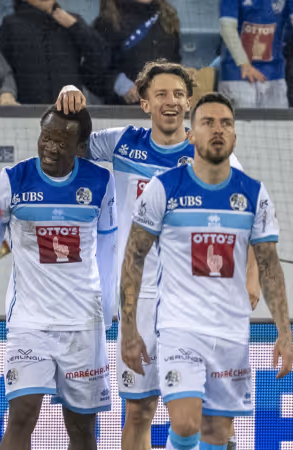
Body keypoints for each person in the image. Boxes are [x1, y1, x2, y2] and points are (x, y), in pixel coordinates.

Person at [56, 60, 260, 450]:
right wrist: (70, 96)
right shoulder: (122, 143)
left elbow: (247, 216)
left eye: (179, 94)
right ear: (145, 103)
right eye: (161, 94)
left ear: (189, 103)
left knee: (200, 413)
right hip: (139, 298)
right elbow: (68, 144)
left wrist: (251, 276)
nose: (171, 101)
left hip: (195, 299)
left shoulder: (210, 154)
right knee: (139, 411)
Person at [120, 92, 293, 450]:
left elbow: (269, 265)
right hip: (179, 328)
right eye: (208, 122)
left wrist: (284, 330)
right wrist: (129, 328)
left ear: (234, 136)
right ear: (192, 134)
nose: (218, 130)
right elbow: (133, 259)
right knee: (185, 424)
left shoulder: (254, 194)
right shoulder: (163, 188)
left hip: (230, 331)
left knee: (217, 434)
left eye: (226, 123)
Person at [0, 105, 116, 450]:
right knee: (21, 416)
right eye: (46, 137)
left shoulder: (101, 182)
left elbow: (109, 248)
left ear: (80, 147)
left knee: (81, 429)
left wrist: (108, 309)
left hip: (84, 326)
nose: (50, 147)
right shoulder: (11, 180)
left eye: (62, 141)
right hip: (30, 323)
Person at [0, 0, 106, 105]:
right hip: (27, 111)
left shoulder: (71, 21)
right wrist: (6, 94)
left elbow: (100, 59)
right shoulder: (11, 25)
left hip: (70, 111)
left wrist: (76, 27)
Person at [218, 0, 293, 108]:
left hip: (274, 74)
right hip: (237, 75)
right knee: (242, 118)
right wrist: (243, 63)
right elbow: (227, 27)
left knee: (276, 119)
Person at [93, 0, 181, 105]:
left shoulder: (166, 18)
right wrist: (117, 83)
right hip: (123, 111)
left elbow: (175, 63)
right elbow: (93, 71)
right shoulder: (107, 23)